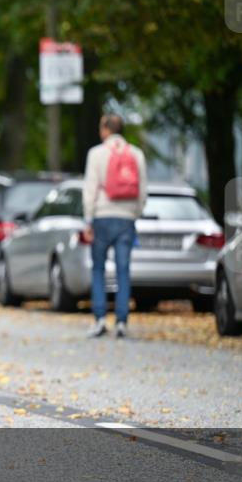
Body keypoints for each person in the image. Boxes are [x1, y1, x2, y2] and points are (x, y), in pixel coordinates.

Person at [82, 113, 148, 339]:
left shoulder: (96, 153)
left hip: (102, 216)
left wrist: (88, 219)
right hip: (126, 219)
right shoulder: (136, 154)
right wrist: (135, 214)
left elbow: (90, 189)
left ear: (105, 130)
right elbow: (142, 191)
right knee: (123, 270)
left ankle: (100, 319)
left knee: (98, 268)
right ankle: (122, 322)